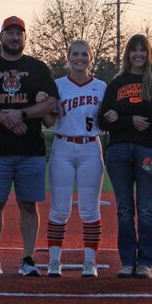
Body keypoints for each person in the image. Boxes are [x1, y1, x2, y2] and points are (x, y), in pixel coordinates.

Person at [0, 16, 58, 277]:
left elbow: (50, 104)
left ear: (25, 38)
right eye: (10, 33)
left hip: (31, 150)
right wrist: (7, 117)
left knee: (29, 205)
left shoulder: (39, 68)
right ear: (1, 36)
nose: (15, 37)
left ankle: (28, 258)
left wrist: (22, 115)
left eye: (19, 33)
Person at [98, 34, 152, 279]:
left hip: (148, 153)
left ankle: (145, 263)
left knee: (146, 209)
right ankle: (127, 261)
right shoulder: (117, 83)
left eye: (143, 50)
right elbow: (102, 120)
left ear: (149, 53)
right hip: (118, 151)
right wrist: (129, 120)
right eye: (134, 50)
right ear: (127, 54)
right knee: (124, 210)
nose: (138, 54)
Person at [37, 40, 106, 278]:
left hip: (90, 147)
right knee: (59, 210)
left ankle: (90, 262)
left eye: (84, 54)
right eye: (75, 54)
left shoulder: (101, 86)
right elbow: (48, 121)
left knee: (89, 210)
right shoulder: (57, 85)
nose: (80, 58)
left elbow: (107, 120)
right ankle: (55, 260)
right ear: (68, 56)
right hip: (63, 146)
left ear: (90, 57)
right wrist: (42, 103)